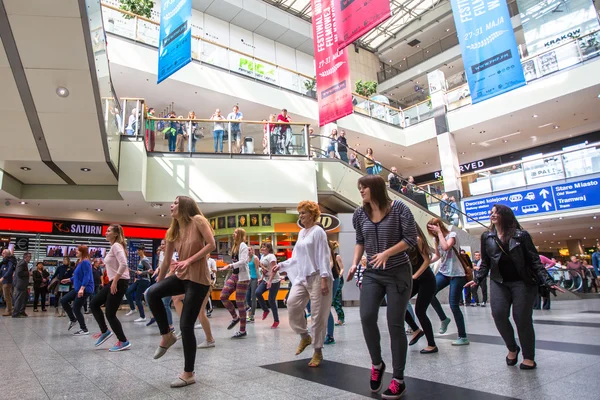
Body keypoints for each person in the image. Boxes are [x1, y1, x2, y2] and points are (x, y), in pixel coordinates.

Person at [465, 204, 564, 369]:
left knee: (521, 318)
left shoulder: (521, 235)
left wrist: (548, 281)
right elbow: (486, 263)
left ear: (505, 215)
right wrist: (478, 278)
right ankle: (512, 348)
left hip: (522, 282)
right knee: (498, 314)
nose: (492, 214)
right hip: (498, 281)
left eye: (496, 212)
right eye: (491, 212)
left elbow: (534, 260)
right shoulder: (487, 237)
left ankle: (528, 357)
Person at [346, 175, 417, 399]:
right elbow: (360, 240)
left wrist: (387, 252)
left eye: (364, 187)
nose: (361, 191)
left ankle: (399, 379)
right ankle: (377, 365)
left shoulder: (399, 209)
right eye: (360, 188)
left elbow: (411, 238)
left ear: (375, 188)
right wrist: (355, 263)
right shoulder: (359, 214)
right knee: (367, 317)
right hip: (372, 274)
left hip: (398, 272)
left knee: (395, 324)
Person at [147, 196, 215, 388]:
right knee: (151, 293)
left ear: (185, 206)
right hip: (182, 276)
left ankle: (188, 373)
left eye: (176, 203)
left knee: (186, 325)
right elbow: (166, 261)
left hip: (199, 280)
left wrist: (189, 260)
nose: (171, 205)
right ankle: (167, 335)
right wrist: (157, 287)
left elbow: (211, 244)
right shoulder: (173, 230)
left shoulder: (198, 221)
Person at [273, 200, 332, 367]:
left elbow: (323, 256)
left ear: (312, 214)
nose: (300, 216)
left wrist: (324, 279)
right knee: (292, 303)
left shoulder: (318, 232)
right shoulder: (301, 233)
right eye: (299, 213)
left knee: (317, 315)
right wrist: (282, 265)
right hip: (302, 277)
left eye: (303, 213)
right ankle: (305, 336)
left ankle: (317, 351)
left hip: (319, 277)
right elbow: (297, 257)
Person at [427, 218, 469, 345]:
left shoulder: (452, 235)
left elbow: (445, 247)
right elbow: (438, 255)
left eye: (433, 228)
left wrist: (440, 233)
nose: (432, 231)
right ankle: (443, 319)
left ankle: (463, 336)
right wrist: (426, 262)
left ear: (439, 226)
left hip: (457, 274)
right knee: (429, 293)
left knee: (454, 305)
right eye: (430, 229)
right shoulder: (436, 239)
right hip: (444, 272)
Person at [91, 224, 131, 351]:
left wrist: (115, 282)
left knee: (110, 313)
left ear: (115, 234)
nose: (106, 233)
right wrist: (105, 264)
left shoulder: (116, 246)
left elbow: (124, 264)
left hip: (119, 282)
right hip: (115, 281)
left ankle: (123, 341)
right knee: (94, 303)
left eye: (108, 231)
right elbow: (118, 263)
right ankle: (105, 331)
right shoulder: (114, 247)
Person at [403, 225, 438, 354]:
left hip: (426, 279)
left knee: (420, 311)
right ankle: (416, 330)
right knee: (399, 304)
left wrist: (415, 276)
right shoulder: (404, 241)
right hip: (415, 279)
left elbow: (427, 260)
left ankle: (432, 345)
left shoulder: (417, 239)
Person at [219, 228, 250, 339]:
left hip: (243, 277)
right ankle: (235, 317)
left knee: (239, 302)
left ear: (240, 235)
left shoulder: (243, 246)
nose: (234, 234)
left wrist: (230, 266)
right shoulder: (235, 247)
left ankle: (242, 330)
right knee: (223, 296)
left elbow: (243, 262)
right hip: (235, 275)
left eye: (236, 233)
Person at [60, 246, 94, 335]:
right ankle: (73, 319)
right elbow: (78, 276)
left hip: (85, 289)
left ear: (82, 252)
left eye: (77, 251)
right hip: (77, 288)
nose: (76, 252)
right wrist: (68, 279)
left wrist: (82, 288)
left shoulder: (85, 262)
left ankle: (84, 329)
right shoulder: (80, 262)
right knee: (63, 300)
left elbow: (87, 276)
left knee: (76, 308)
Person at [256, 242, 280, 328]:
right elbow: (265, 270)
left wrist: (270, 281)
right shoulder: (262, 257)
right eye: (261, 247)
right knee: (257, 292)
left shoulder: (271, 256)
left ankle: (276, 321)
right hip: (266, 279)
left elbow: (274, 270)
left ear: (269, 248)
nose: (262, 248)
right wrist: (262, 278)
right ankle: (265, 310)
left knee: (271, 300)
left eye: (264, 247)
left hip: (274, 281)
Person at [125, 246, 152, 322]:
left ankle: (142, 317)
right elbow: (139, 271)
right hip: (139, 280)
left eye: (139, 250)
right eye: (137, 250)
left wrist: (142, 272)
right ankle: (133, 309)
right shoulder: (140, 260)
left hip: (144, 281)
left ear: (143, 250)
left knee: (137, 298)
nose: (138, 251)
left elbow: (151, 270)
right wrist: (134, 273)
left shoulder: (144, 260)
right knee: (127, 292)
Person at [196, 254, 216, 349]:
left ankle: (210, 339)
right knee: (200, 312)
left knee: (201, 312)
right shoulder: (201, 260)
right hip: (202, 285)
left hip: (204, 285)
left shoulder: (204, 261)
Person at [325, 241, 344, 344]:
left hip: (333, 278)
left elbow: (334, 265)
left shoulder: (333, 253)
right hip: (324, 279)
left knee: (327, 306)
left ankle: (330, 335)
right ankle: (326, 334)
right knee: (323, 308)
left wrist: (325, 273)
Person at [12, 252, 32, 318]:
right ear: (25, 257)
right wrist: (28, 273)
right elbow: (19, 273)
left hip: (23, 284)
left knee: (25, 297)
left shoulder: (24, 263)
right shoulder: (22, 263)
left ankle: (21, 311)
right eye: (29, 257)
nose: (30, 258)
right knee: (19, 298)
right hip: (20, 284)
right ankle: (16, 313)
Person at [245, 246, 260, 323]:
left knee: (253, 297)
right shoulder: (246, 259)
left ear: (252, 251)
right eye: (247, 250)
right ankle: (250, 311)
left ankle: (252, 316)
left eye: (250, 250)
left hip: (254, 279)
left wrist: (259, 279)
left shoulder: (255, 258)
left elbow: (257, 269)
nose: (248, 251)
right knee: (247, 297)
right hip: (248, 279)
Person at [0, 249, 17, 316]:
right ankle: (8, 309)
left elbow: (9, 271)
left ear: (7, 254)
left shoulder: (10, 261)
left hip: (6, 281)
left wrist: (3, 277)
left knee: (7, 296)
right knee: (5, 296)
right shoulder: (4, 262)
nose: (2, 254)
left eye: (3, 253)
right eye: (2, 253)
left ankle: (9, 311)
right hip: (2, 281)